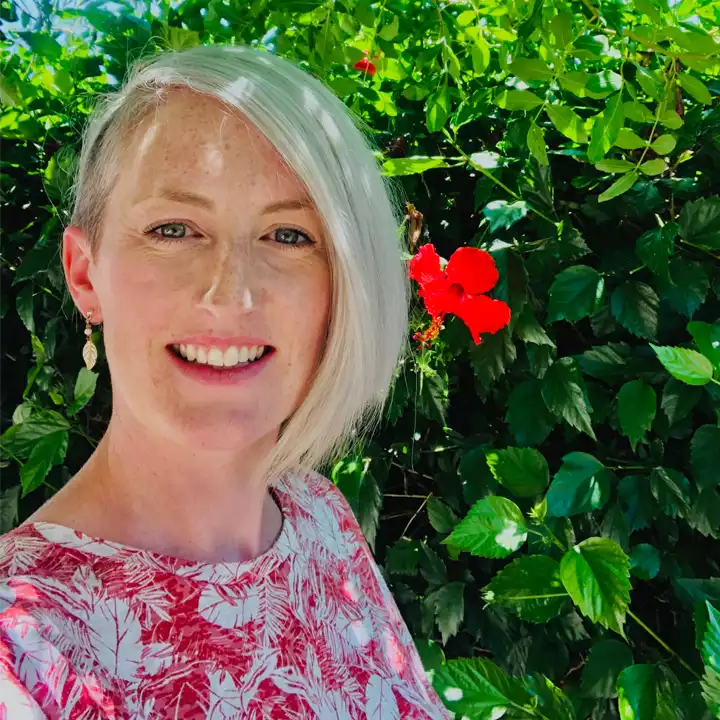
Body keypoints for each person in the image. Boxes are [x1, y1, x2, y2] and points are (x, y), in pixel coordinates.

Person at [0, 44, 450, 718]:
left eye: (289, 235)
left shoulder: (319, 517)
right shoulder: (22, 646)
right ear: (86, 274)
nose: (232, 295)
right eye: (174, 229)